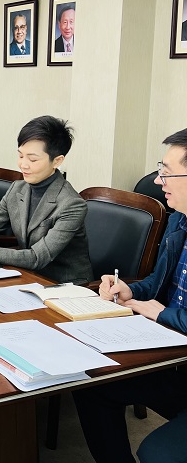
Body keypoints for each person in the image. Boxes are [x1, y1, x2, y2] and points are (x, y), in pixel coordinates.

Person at [73, 128, 187, 463]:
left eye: (167, 172)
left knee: (157, 453)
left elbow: (160, 307)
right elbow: (158, 282)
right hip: (172, 358)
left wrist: (160, 313)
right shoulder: (178, 221)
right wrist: (130, 289)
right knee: (93, 385)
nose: (158, 180)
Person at [0, 115, 91, 285]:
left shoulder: (72, 204)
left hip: (63, 286)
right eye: (21, 156)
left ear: (57, 161)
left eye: (33, 159)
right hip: (27, 276)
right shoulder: (17, 189)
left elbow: (37, 257)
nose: (23, 165)